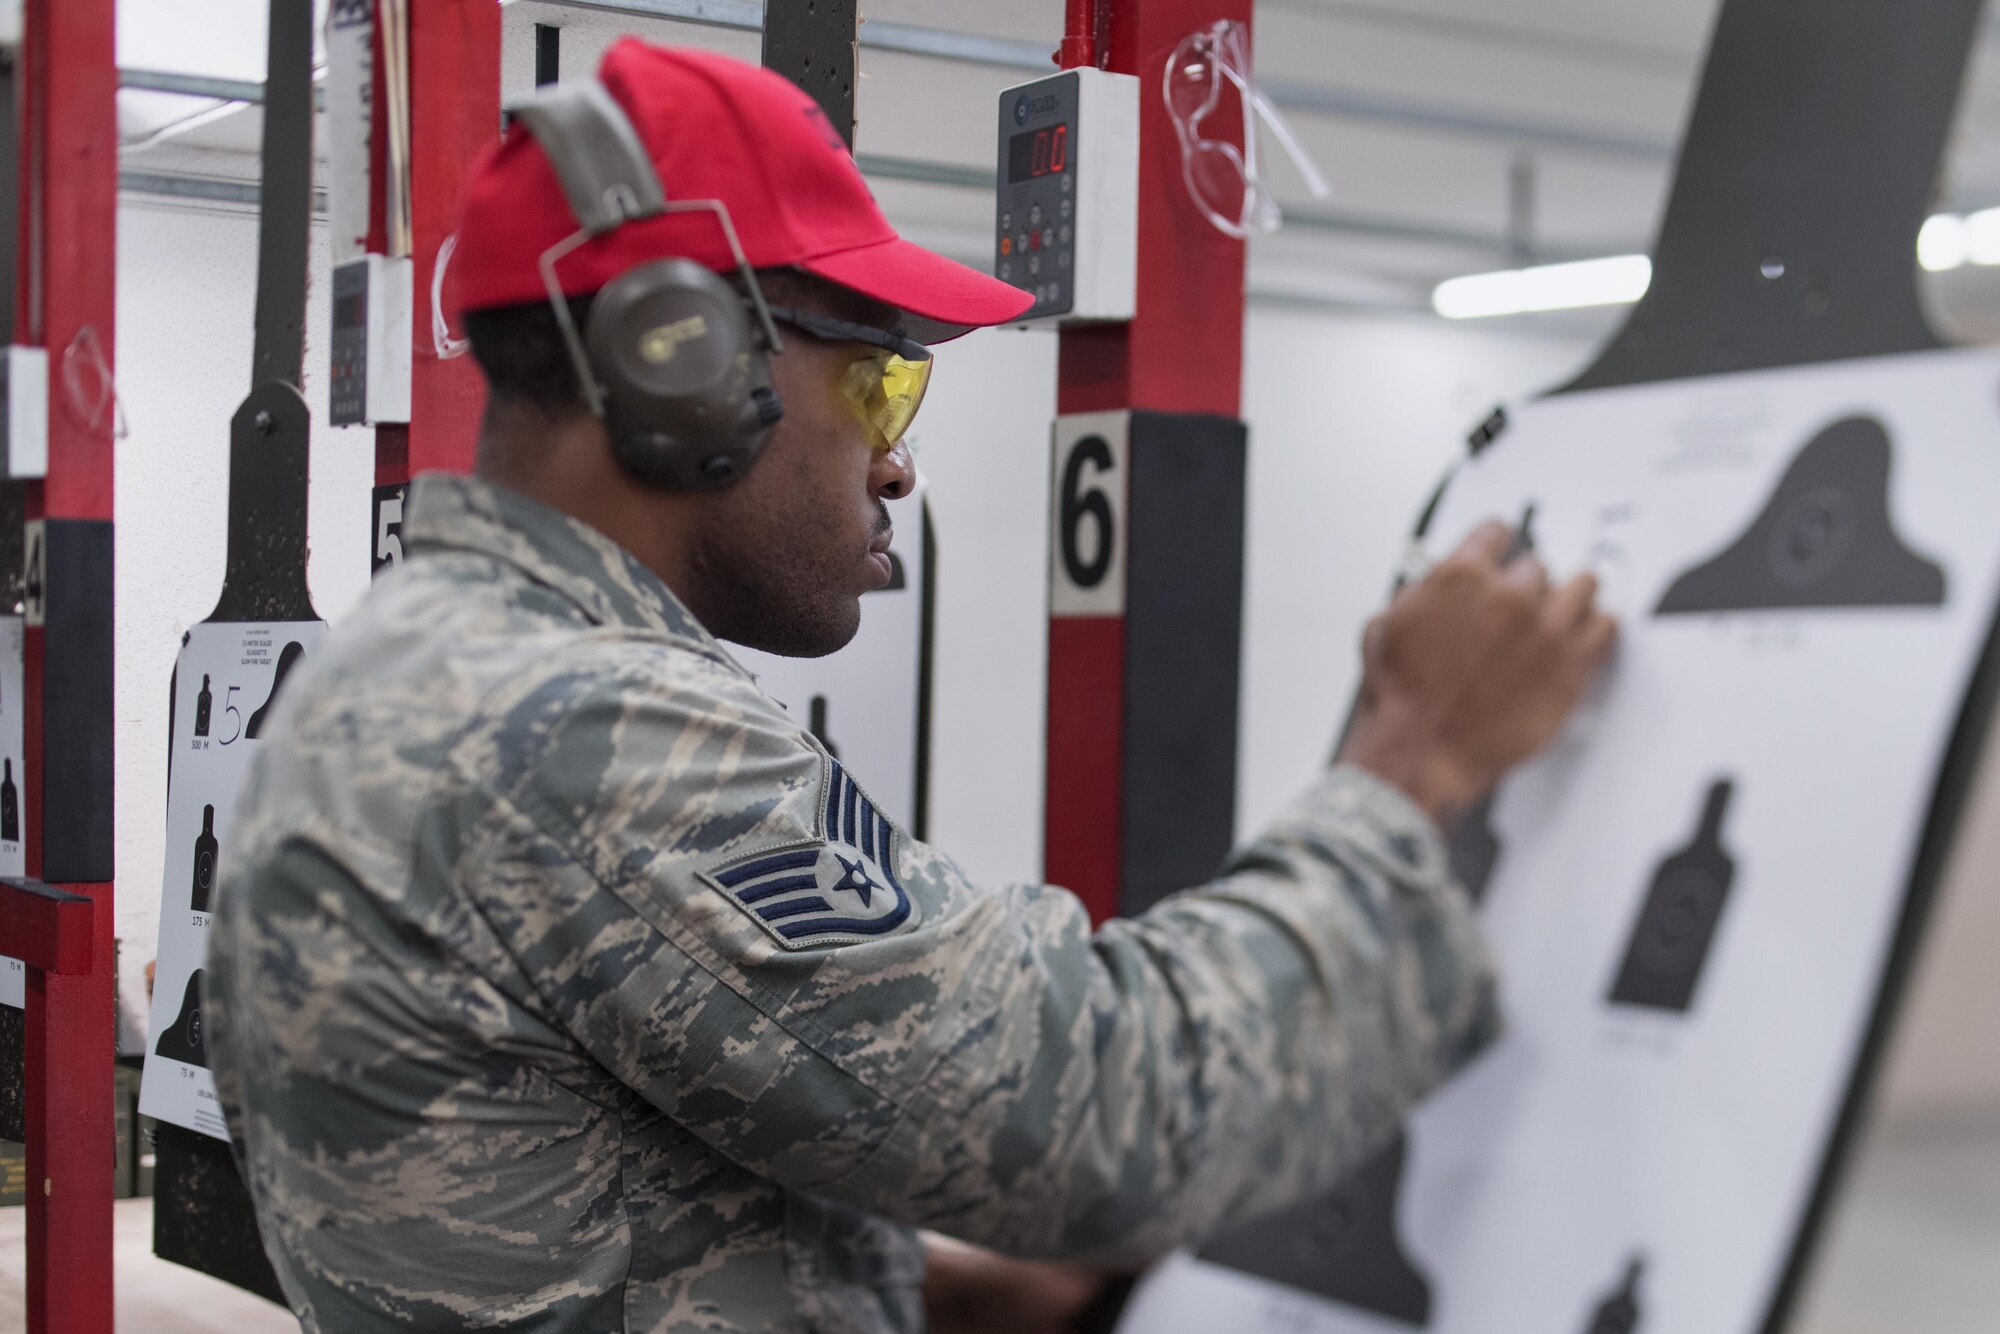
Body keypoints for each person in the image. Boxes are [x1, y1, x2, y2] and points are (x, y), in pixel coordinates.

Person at [204, 38, 1614, 1334]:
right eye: (878, 385)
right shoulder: (583, 726)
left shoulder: (394, 667)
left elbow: (551, 1185)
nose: (897, 462)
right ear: (680, 364)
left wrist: (909, 1284)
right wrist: (1412, 764)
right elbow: (1100, 1112)